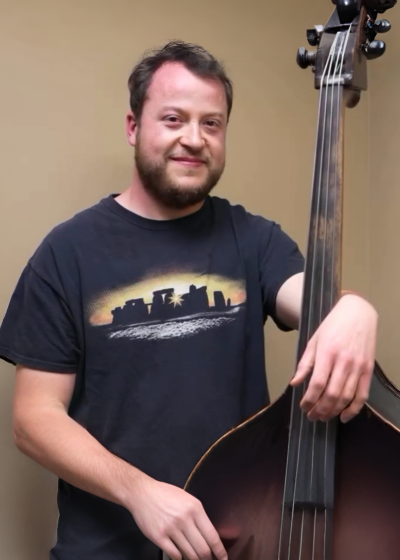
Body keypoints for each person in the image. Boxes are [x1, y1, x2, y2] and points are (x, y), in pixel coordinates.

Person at [0, 40, 378, 560]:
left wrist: (354, 308)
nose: (194, 139)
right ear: (133, 127)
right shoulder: (66, 252)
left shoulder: (255, 240)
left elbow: (315, 304)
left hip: (234, 546)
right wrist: (140, 492)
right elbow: (33, 420)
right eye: (174, 119)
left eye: (212, 124)